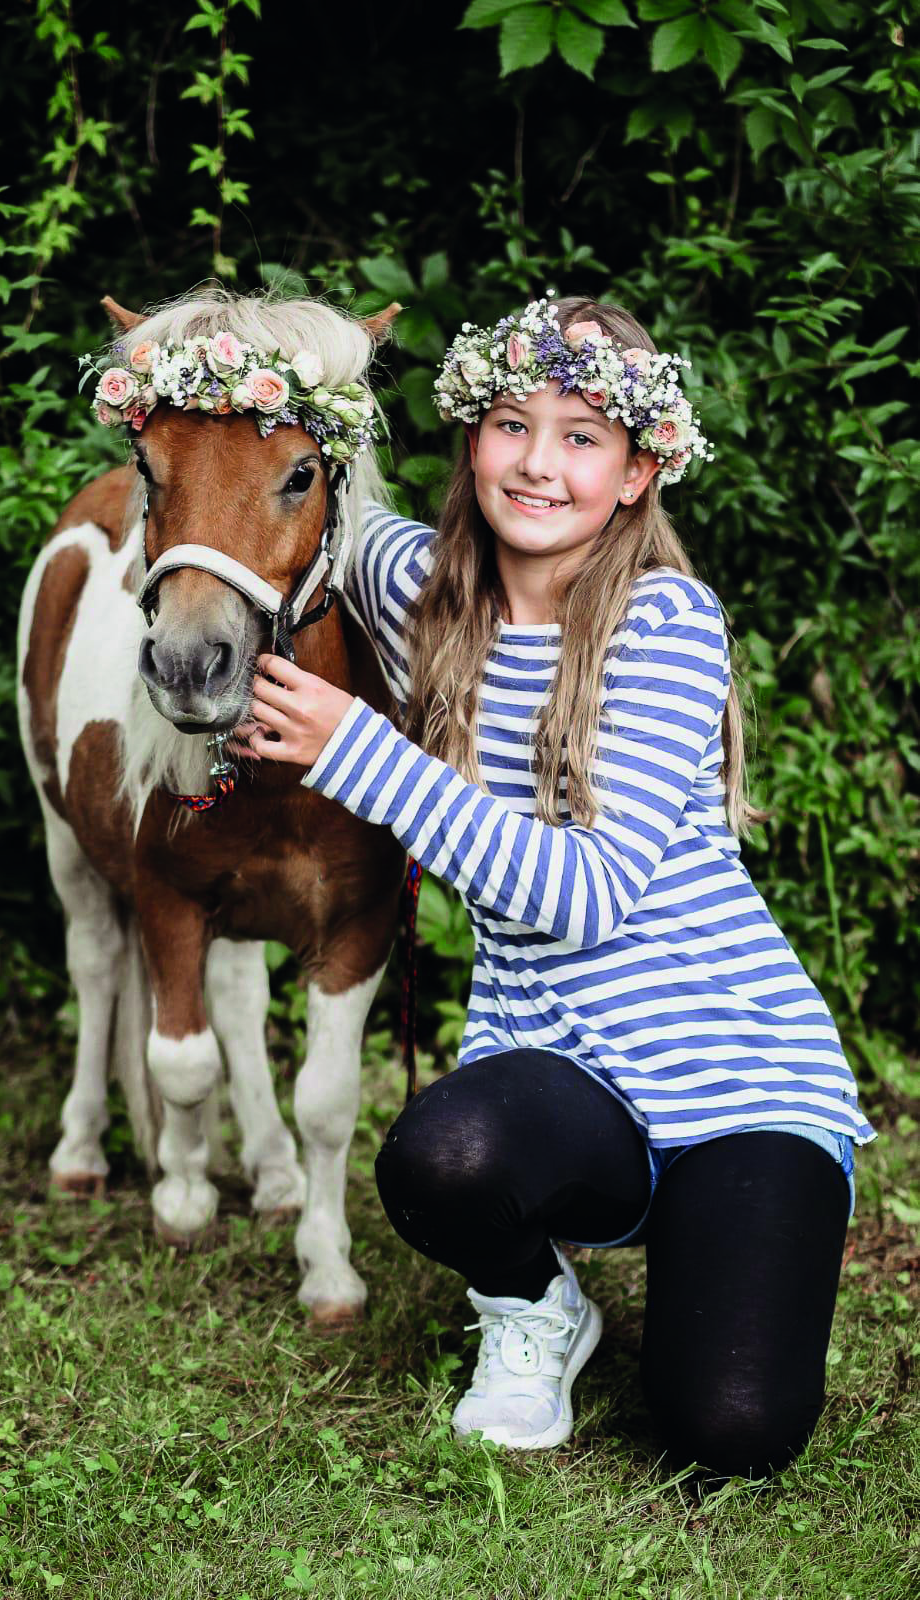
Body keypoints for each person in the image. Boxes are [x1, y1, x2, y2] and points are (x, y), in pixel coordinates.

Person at [232, 294, 875, 1479]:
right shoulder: (411, 587)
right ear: (470, 438)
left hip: (738, 1080)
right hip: (564, 1074)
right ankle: (538, 1309)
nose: (537, 463)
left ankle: (728, 1230)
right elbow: (275, 491)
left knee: (730, 1428)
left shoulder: (666, 623)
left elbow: (584, 895)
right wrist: (236, 374)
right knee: (439, 1156)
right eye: (510, 425)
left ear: (636, 472)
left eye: (581, 437)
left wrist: (354, 749)